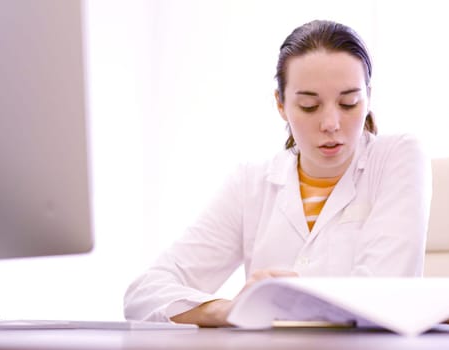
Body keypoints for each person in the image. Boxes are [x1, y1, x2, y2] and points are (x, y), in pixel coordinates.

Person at [124, 19, 431, 327]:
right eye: (310, 106)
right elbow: (144, 294)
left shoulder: (398, 157)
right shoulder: (251, 183)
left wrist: (276, 305)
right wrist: (229, 310)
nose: (331, 123)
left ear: (368, 98)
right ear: (281, 105)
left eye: (348, 102)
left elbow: (381, 299)